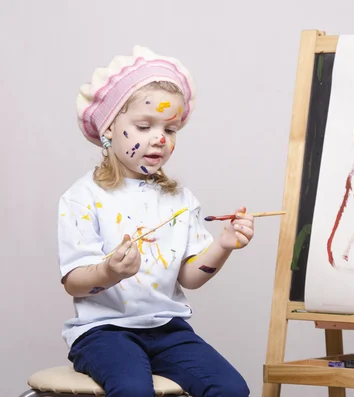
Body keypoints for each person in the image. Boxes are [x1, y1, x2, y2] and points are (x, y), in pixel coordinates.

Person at [57, 45, 253, 397]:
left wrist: (223, 246)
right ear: (109, 129)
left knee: (231, 389)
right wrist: (111, 272)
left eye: (171, 129)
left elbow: (190, 278)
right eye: (145, 126)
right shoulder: (83, 197)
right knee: (133, 390)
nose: (160, 138)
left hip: (168, 329)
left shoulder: (179, 199)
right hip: (103, 331)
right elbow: (74, 283)